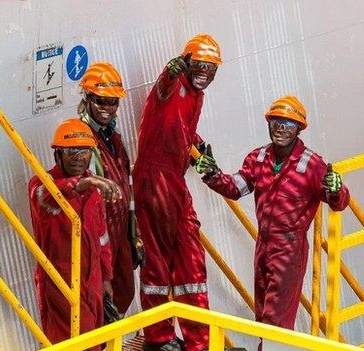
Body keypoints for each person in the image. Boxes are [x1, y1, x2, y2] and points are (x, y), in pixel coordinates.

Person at [195, 95, 350, 350]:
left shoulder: (311, 165)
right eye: (276, 122)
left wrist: (336, 189)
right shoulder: (258, 158)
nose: (281, 128)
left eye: (288, 123)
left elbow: (338, 202)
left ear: (299, 128)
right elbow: (236, 188)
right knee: (262, 316)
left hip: (289, 249)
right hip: (264, 245)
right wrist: (211, 174)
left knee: (276, 320)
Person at [132, 34, 240, 351]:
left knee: (191, 260)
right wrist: (170, 70)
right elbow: (162, 89)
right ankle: (159, 336)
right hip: (154, 180)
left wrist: (199, 153)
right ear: (186, 61)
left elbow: (184, 131)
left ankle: (199, 341)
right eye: (199, 64)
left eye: (211, 67)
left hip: (175, 181)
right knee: (157, 264)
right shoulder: (174, 83)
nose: (205, 71)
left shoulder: (197, 95)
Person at [28, 119, 122, 348]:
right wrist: (82, 183)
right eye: (71, 151)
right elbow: (48, 197)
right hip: (60, 280)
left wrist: (107, 277)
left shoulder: (93, 188)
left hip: (93, 279)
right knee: (67, 340)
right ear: (57, 154)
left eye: (84, 150)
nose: (79, 157)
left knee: (95, 339)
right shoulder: (42, 184)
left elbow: (103, 238)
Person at [78, 62, 143, 316]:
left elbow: (128, 188)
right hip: (98, 234)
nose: (108, 108)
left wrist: (134, 233)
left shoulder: (113, 137)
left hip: (120, 231)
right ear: (88, 99)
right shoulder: (80, 138)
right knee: (100, 302)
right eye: (101, 101)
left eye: (113, 102)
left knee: (123, 294)